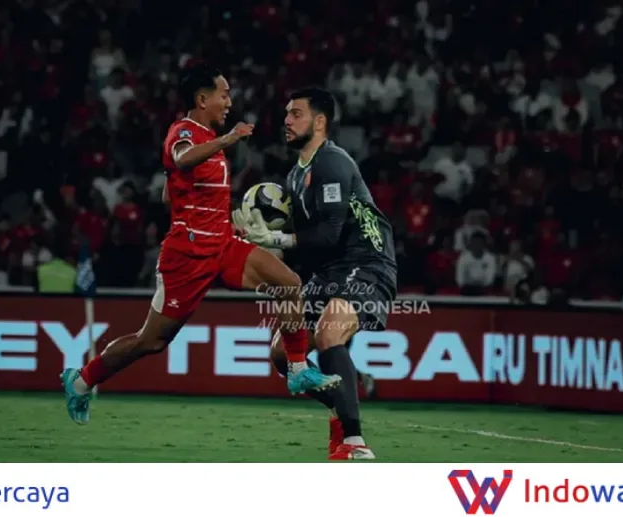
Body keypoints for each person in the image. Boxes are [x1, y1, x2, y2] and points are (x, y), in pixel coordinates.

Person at [60, 65, 340, 426]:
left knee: (288, 284)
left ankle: (298, 368)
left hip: (221, 243)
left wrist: (217, 216)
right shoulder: (184, 132)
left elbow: (170, 192)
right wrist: (229, 140)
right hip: (187, 255)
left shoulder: (207, 138)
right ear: (202, 99)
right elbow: (181, 159)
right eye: (224, 94)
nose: (229, 102)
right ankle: (81, 380)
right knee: (151, 341)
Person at [233, 87, 397, 460]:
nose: (287, 121)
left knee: (327, 333)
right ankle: (346, 394)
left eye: (296, 114)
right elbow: (306, 243)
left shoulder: (332, 163)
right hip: (327, 270)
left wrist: (275, 238)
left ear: (320, 122)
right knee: (283, 354)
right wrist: (255, 238)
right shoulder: (294, 177)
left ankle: (354, 441)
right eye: (286, 114)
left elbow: (328, 235)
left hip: (366, 262)